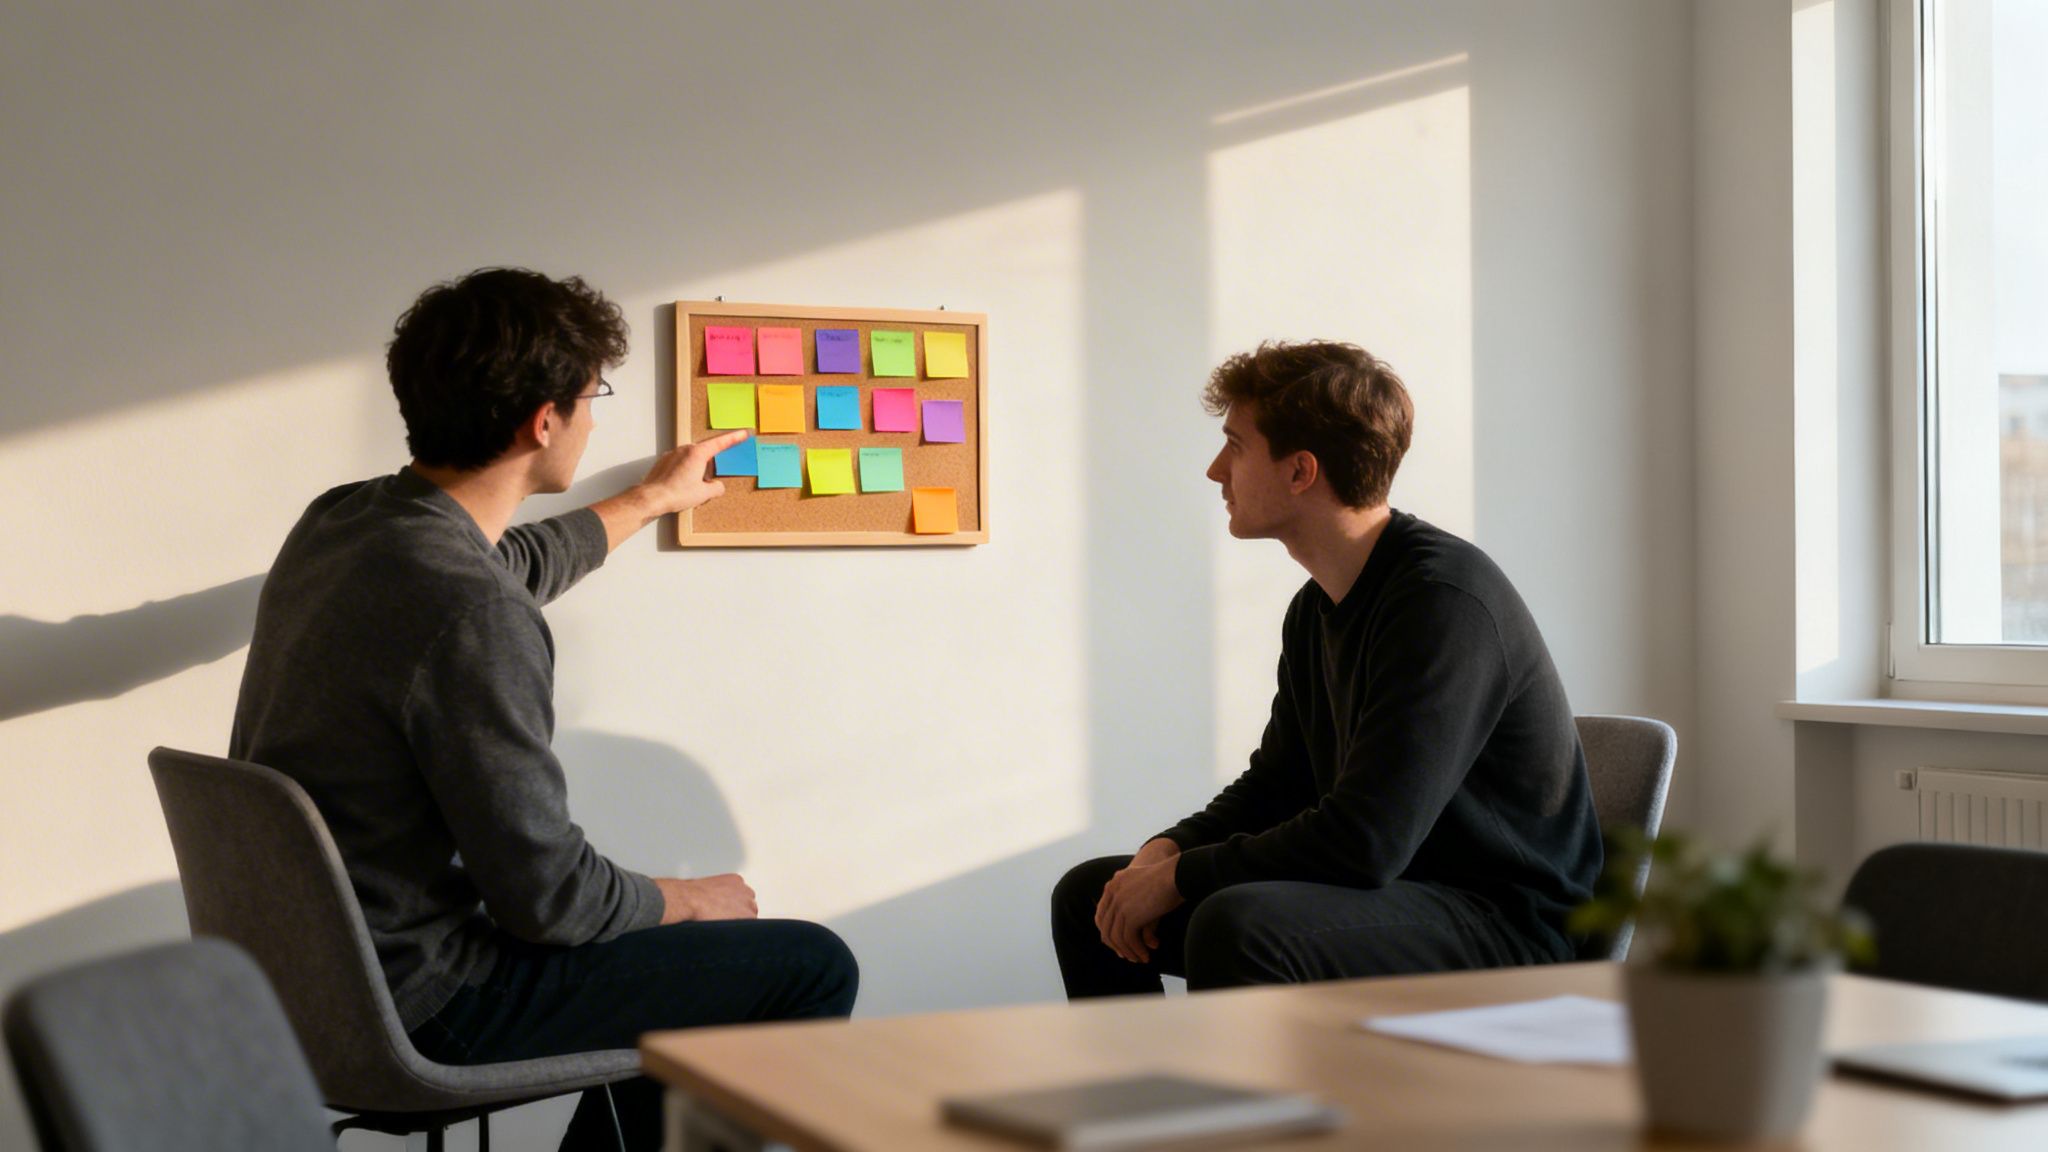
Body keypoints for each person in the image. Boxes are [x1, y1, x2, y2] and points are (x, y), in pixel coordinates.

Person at [231, 267, 858, 1150]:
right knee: (806, 965)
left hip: (304, 987)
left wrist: (649, 499)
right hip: (424, 1003)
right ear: (544, 421)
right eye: (592, 396)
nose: (595, 418)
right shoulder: (471, 611)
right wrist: (682, 897)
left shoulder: (344, 524)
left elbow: (505, 565)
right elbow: (551, 901)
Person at [1050, 340, 1602, 998]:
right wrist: (1168, 850)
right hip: (1397, 893)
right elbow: (1279, 784)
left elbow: (1366, 842)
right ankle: (1151, 1073)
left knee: (1239, 924)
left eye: (1235, 446)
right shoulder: (1316, 608)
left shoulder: (1442, 602)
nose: (1215, 470)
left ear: (1300, 471)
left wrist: (1184, 876)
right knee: (1093, 897)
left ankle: (1242, 1075)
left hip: (1506, 922)